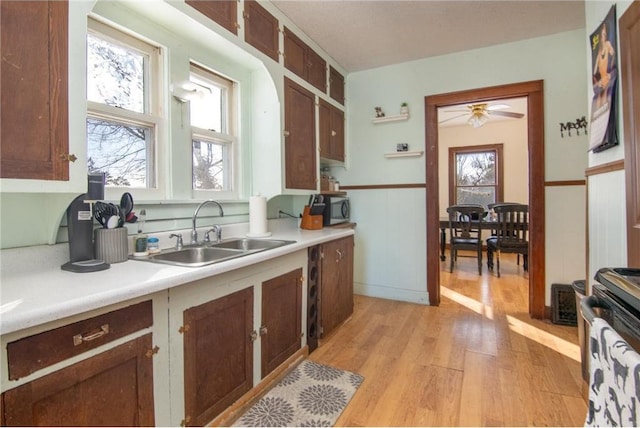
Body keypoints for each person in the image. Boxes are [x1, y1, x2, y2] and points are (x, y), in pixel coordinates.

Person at [592, 22, 616, 109]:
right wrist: (597, 83)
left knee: (607, 103)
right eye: (602, 35)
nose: (604, 36)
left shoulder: (608, 44)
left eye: (605, 34)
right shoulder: (598, 54)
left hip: (608, 80)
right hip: (601, 84)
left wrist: (611, 73)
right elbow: (593, 74)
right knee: (598, 106)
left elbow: (614, 55)